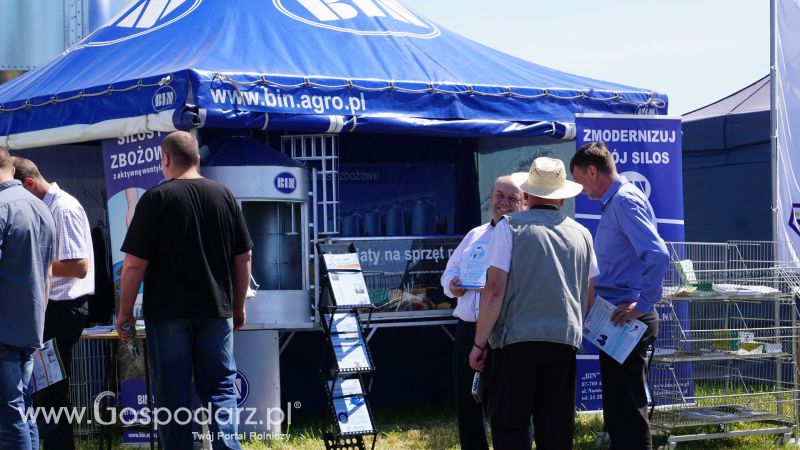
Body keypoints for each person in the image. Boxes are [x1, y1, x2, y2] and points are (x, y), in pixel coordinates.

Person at [115, 131, 252, 450]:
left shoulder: (155, 198)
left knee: (173, 395)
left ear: (164, 159)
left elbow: (134, 265)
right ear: (198, 158)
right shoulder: (224, 195)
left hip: (167, 314)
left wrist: (124, 312)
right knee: (220, 389)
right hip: (215, 310)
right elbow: (244, 257)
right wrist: (238, 305)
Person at [470, 157, 598, 450]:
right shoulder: (583, 234)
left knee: (512, 427)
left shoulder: (508, 227)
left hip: (516, 343)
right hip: (563, 343)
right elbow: (589, 297)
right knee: (556, 430)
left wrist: (479, 344)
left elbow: (494, 290)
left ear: (526, 195)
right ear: (563, 197)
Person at [570, 142, 669, 450]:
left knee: (628, 410)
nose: (580, 188)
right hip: (616, 318)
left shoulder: (624, 200)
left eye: (580, 179)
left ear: (592, 170)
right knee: (618, 408)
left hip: (627, 320)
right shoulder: (619, 202)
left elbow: (657, 253)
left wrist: (643, 304)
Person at [13, 156, 95, 450]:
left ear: (29, 184)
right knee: (44, 390)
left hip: (63, 309)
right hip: (54, 309)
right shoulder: (48, 206)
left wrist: (34, 263)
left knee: (50, 392)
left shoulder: (62, 207)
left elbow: (79, 266)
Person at [441, 174, 524, 450]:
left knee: (510, 407)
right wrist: (452, 285)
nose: (505, 203)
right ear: (490, 199)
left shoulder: (525, 239)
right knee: (467, 405)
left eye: (513, 198)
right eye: (500, 195)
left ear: (524, 204)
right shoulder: (474, 235)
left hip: (505, 334)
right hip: (468, 331)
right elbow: (450, 271)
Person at [0, 147, 56, 450]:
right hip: (29, 326)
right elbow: (48, 273)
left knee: (9, 416)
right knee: (23, 410)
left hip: (4, 327)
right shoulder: (42, 208)